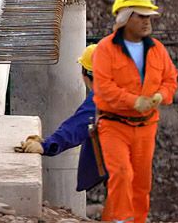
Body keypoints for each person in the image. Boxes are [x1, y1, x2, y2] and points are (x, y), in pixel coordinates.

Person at [93, 0, 178, 223]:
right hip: (114, 125)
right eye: (141, 16)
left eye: (148, 16)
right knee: (121, 174)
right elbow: (103, 87)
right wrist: (133, 101)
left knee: (141, 182)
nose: (146, 21)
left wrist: (161, 95)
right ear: (124, 18)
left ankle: (136, 222)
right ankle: (123, 222)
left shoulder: (157, 50)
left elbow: (170, 79)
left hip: (146, 126)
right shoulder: (105, 49)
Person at [16, 45, 109, 194]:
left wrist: (47, 145)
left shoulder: (103, 98)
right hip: (132, 165)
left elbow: (79, 125)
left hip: (122, 172)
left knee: (120, 212)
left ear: (86, 73)